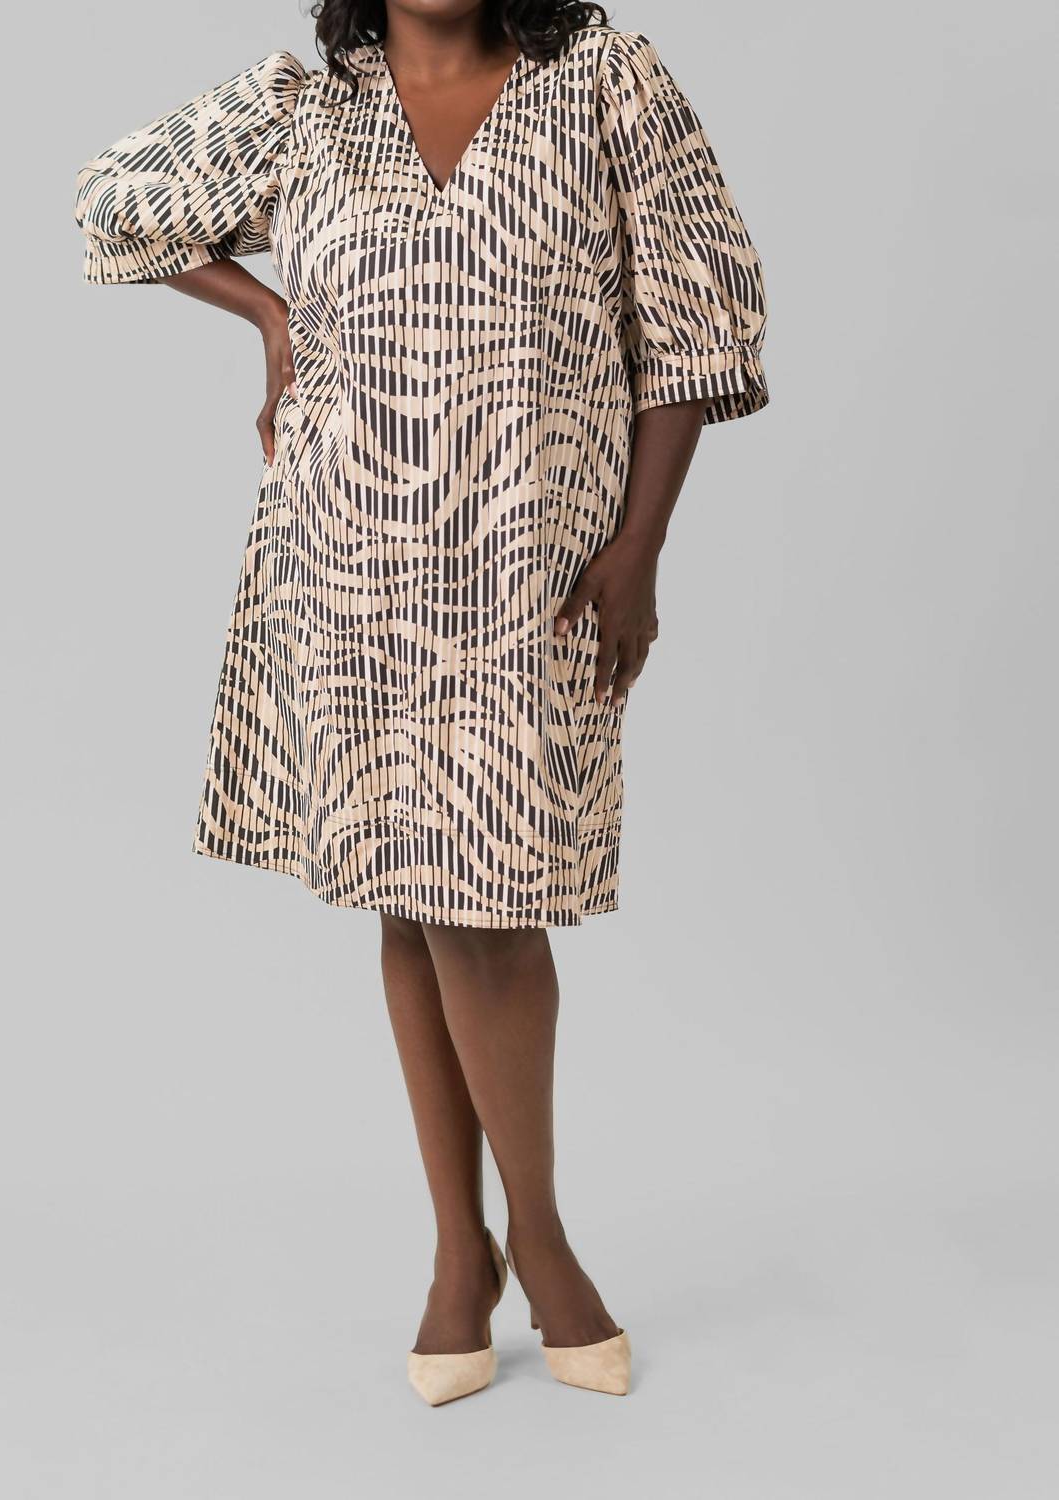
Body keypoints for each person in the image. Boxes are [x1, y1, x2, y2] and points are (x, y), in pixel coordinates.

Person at [73, 0, 768, 1405]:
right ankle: (466, 1249)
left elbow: (698, 317)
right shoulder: (306, 105)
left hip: (532, 564)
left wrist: (640, 547)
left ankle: (537, 1239)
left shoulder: (604, 81)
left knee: (487, 896)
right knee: (411, 887)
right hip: (350, 560)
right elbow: (111, 205)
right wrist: (270, 312)